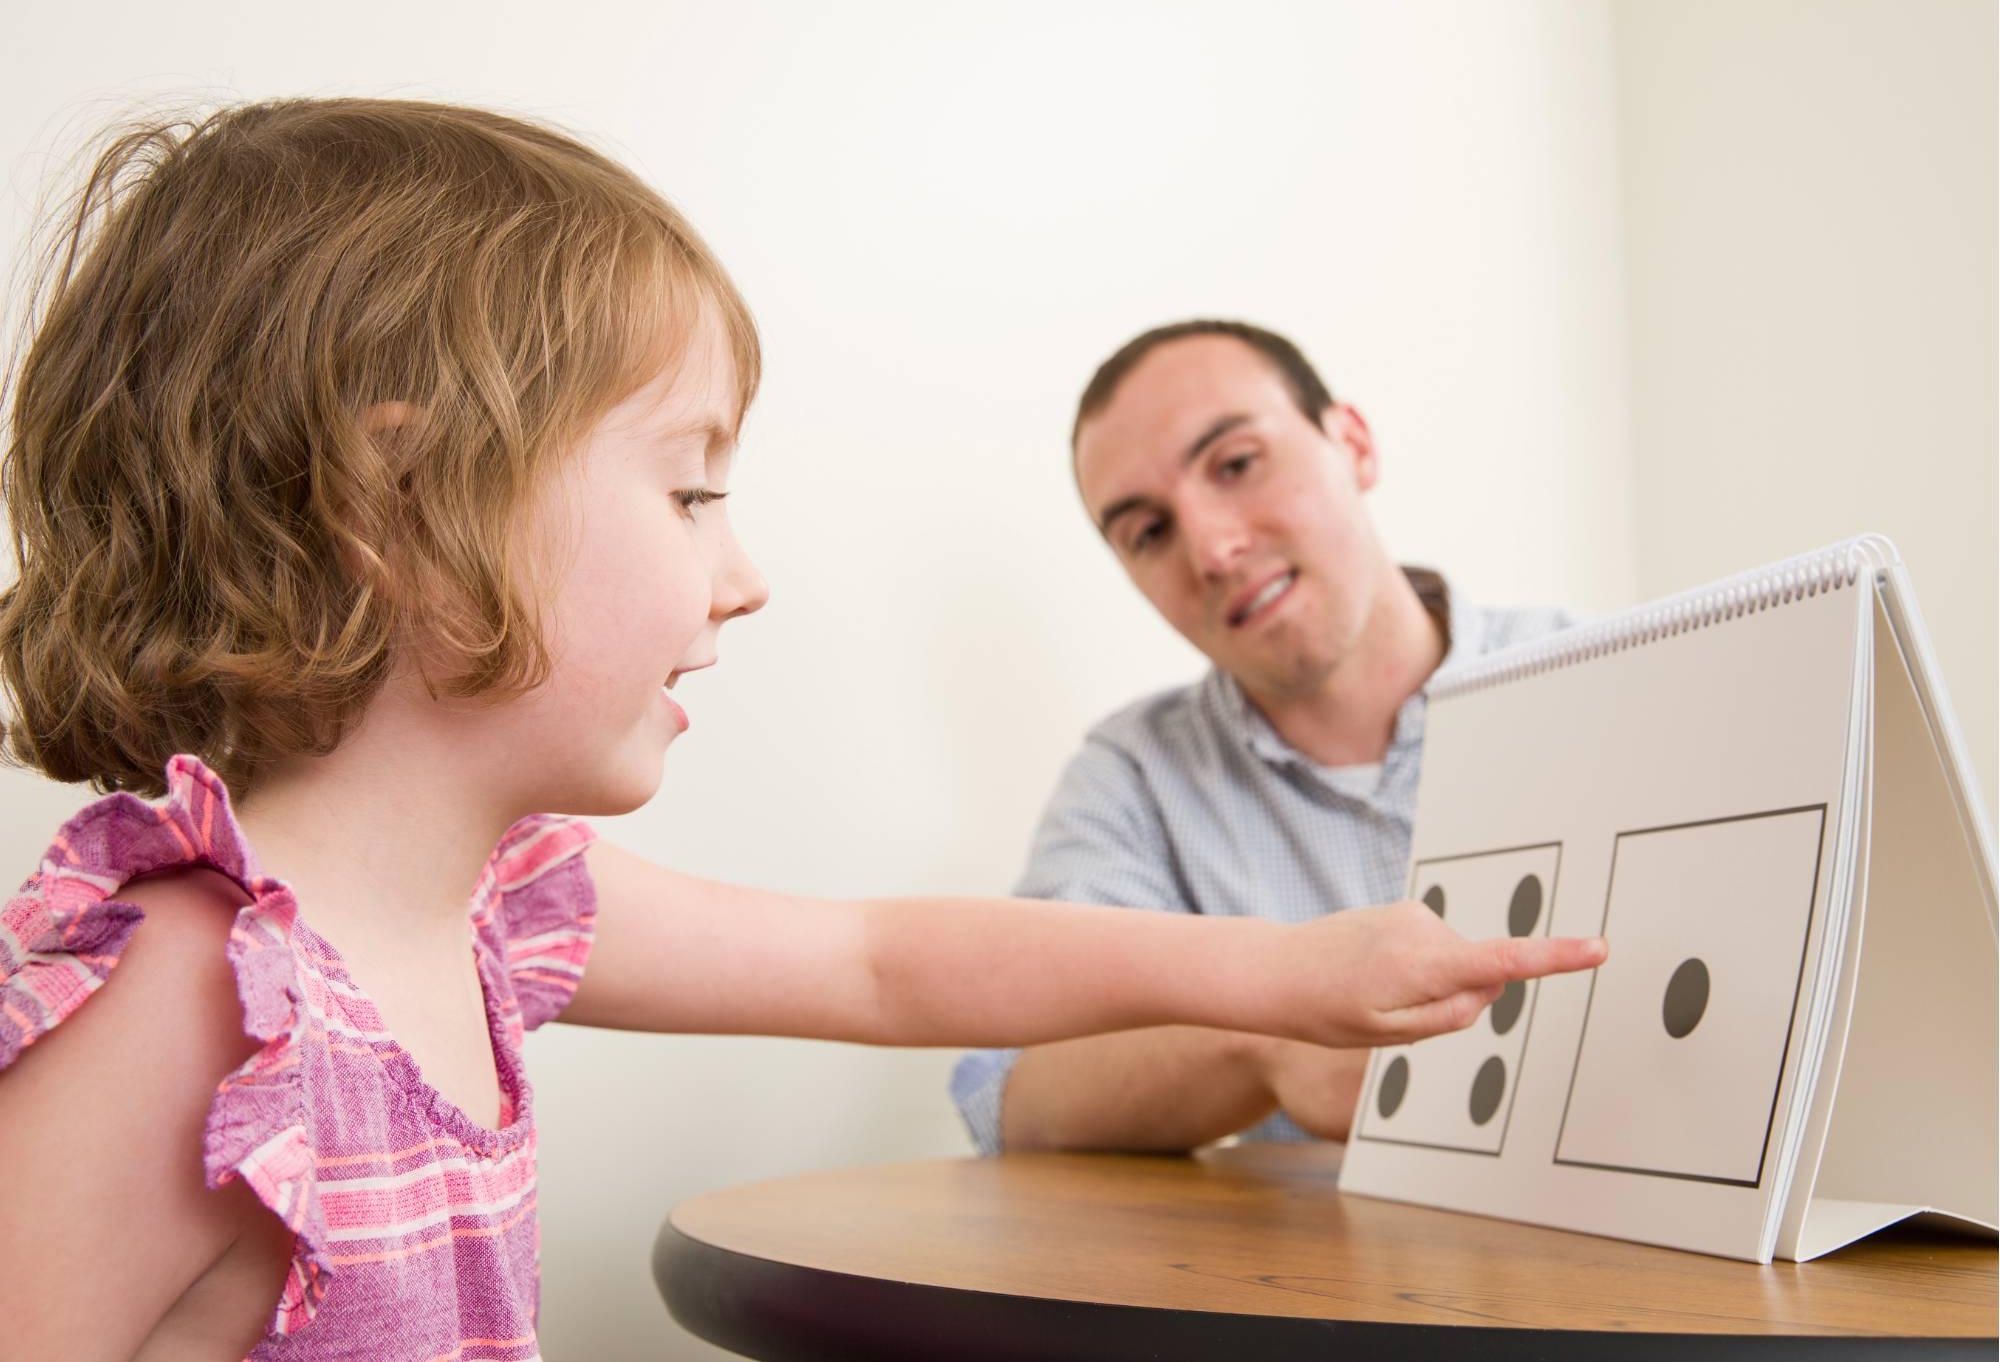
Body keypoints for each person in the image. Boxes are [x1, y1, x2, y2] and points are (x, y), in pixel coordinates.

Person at [0, 101, 1604, 1361]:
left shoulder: (505, 909)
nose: (745, 575)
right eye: (691, 488)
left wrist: (1293, 974)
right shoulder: (185, 1009)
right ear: (396, 502)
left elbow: (879, 966)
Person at [951, 320, 1575, 1156]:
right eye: (1150, 532)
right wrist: (1271, 1041)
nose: (1211, 548)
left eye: (1237, 465)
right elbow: (1012, 1097)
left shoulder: (1622, 674)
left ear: (1352, 444)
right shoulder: (1133, 781)